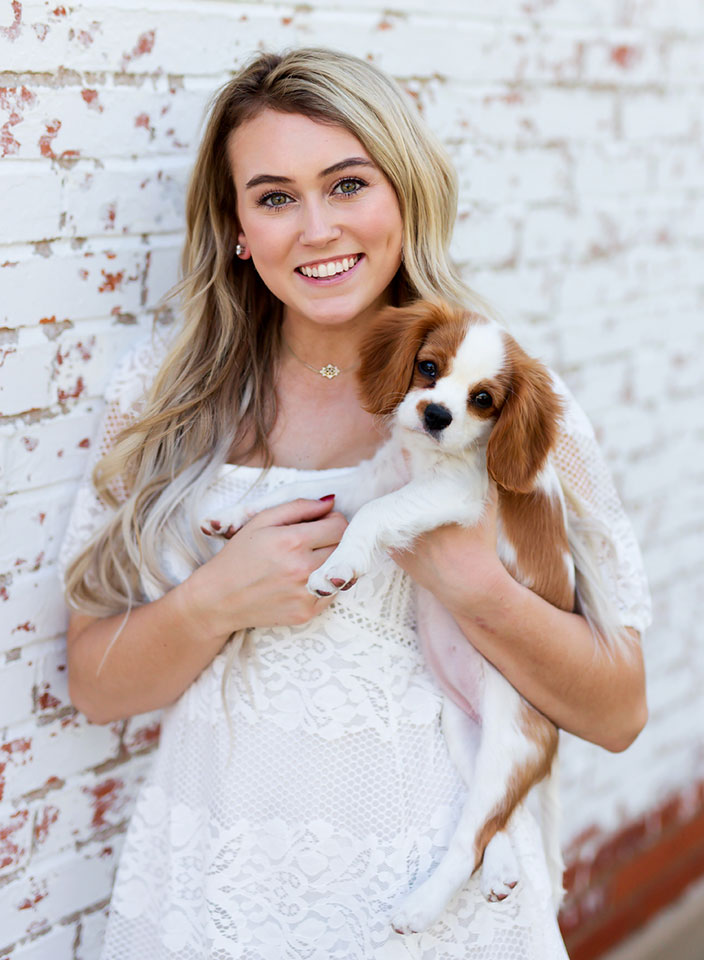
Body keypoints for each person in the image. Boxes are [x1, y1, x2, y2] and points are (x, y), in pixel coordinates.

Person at [61, 47, 650, 960]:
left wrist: (477, 587)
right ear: (237, 229)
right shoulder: (163, 403)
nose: (316, 229)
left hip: (426, 893)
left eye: (346, 184)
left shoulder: (514, 407)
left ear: (406, 193)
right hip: (221, 869)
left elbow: (617, 712)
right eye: (274, 196)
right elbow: (98, 685)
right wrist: (215, 600)